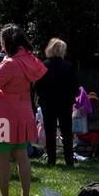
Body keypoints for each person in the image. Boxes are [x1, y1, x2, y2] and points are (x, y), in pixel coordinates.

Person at [0, 25, 47, 196]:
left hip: (5, 114)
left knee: (3, 156)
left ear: (7, 42)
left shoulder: (9, 63)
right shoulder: (30, 59)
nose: (1, 47)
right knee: (22, 154)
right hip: (24, 112)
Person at [35, 37, 78, 168]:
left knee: (50, 131)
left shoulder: (43, 65)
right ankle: (69, 159)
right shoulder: (69, 66)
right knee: (66, 131)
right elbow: (75, 86)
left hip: (48, 102)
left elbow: (37, 86)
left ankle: (51, 159)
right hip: (65, 102)